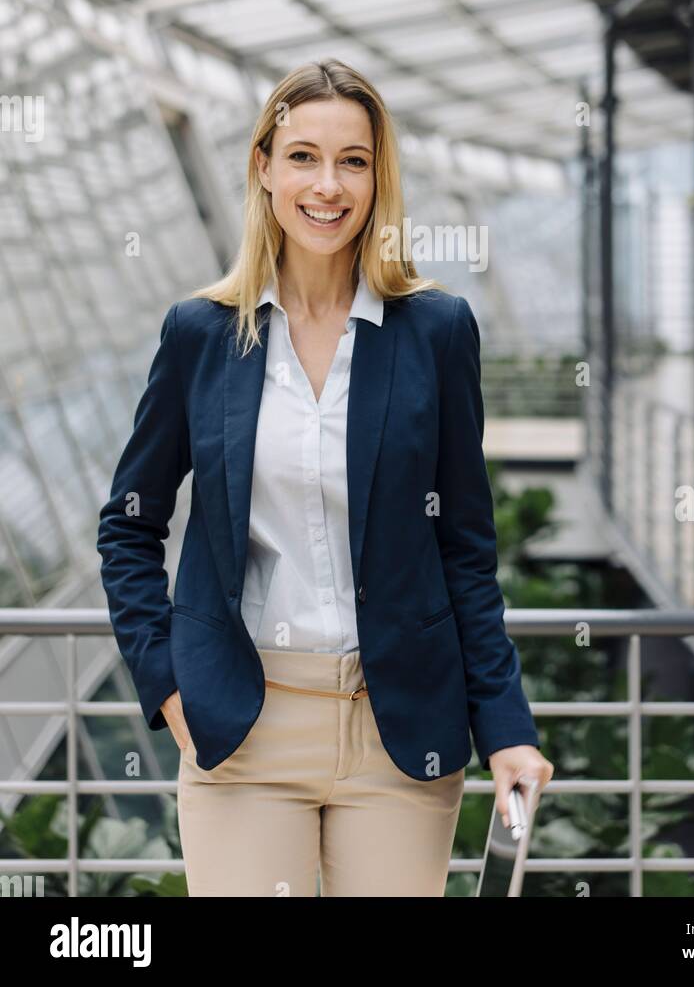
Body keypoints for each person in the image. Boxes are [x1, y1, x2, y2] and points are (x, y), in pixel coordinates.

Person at [97, 57, 554, 897]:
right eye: (303, 156)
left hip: (397, 734)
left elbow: (465, 548)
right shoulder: (201, 333)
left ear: (379, 179)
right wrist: (166, 685)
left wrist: (506, 728)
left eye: (353, 160)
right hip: (243, 723)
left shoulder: (436, 331)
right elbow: (129, 521)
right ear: (263, 169)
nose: (327, 185)